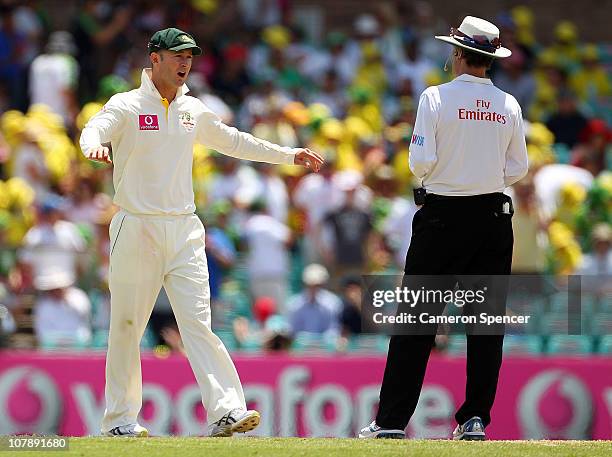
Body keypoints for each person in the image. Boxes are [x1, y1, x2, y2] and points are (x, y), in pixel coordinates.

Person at [79, 27, 323, 438]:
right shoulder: (127, 104)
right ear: (154, 58)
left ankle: (226, 411)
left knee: (199, 322)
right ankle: (119, 421)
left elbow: (233, 140)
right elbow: (95, 128)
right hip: (136, 225)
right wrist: (94, 146)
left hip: (185, 228)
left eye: (189, 57)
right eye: (176, 56)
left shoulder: (193, 108)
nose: (185, 63)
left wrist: (288, 155)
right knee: (126, 326)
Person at [359, 16, 528, 440]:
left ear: (456, 53)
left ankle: (392, 421)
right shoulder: (508, 105)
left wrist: (450, 175)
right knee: (485, 324)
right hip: (493, 219)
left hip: (442, 217)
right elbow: (518, 168)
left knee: (416, 321)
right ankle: (474, 419)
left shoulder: (435, 98)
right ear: (489, 60)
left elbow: (419, 163)